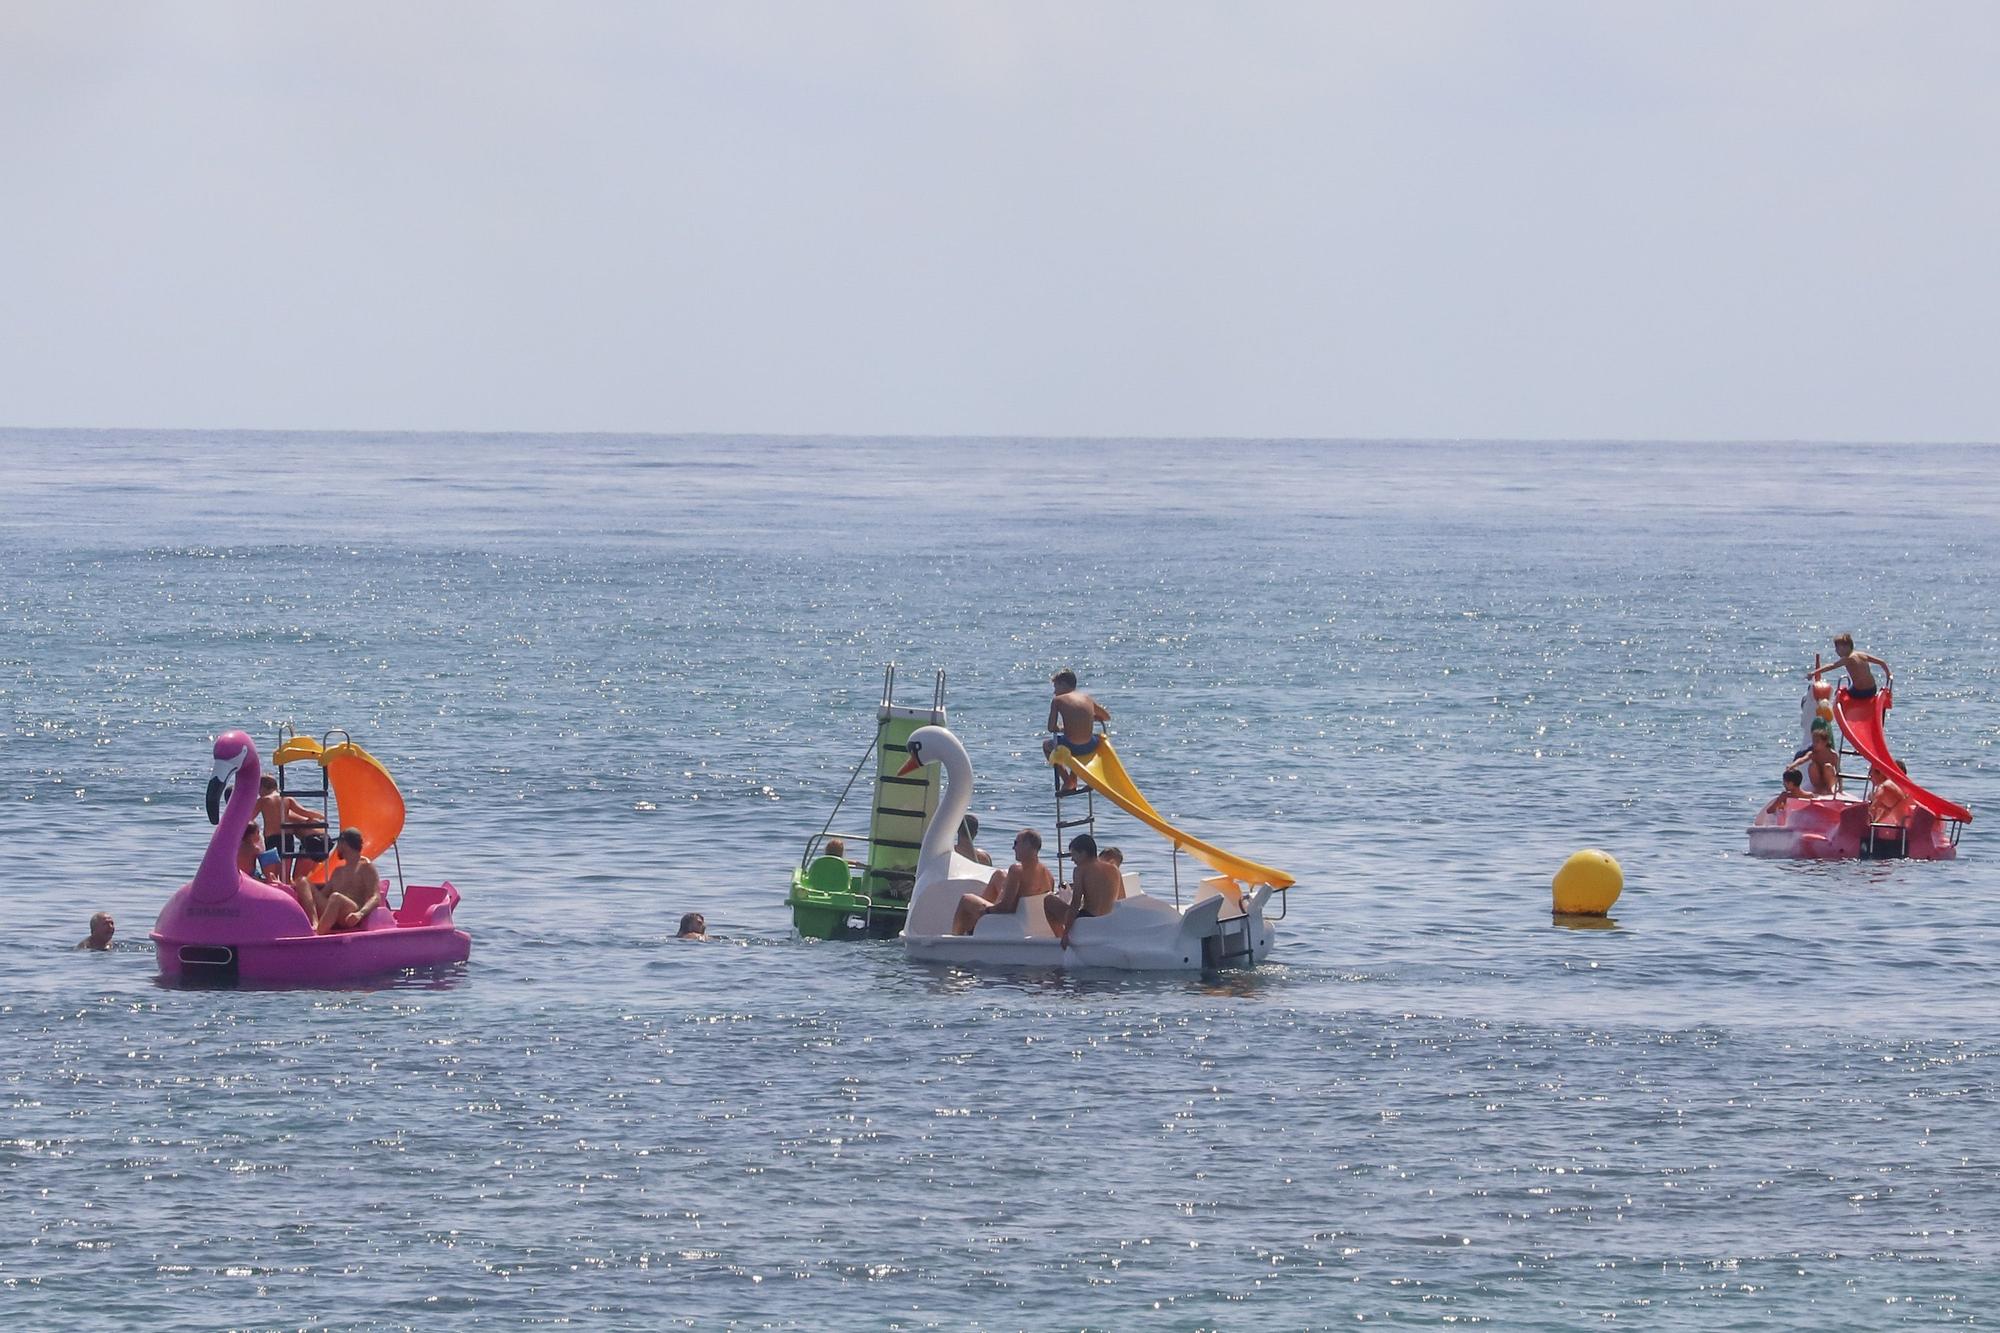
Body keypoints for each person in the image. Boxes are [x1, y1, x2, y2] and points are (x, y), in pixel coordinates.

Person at [953, 828, 1052, 935]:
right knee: (999, 875)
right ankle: (975, 926)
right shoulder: (1048, 874)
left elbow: (1007, 907)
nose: (1013, 847)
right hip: (1030, 921)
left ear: (1027, 845)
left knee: (966, 899)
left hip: (1011, 922)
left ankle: (955, 938)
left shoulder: (1017, 870)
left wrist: (986, 911)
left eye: (1016, 843)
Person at [1043, 669, 1111, 792]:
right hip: (1090, 746)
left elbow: (1051, 728)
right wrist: (1088, 717)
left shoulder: (1057, 701)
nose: (1054, 691)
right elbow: (1106, 717)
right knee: (1085, 740)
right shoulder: (1086, 698)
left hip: (1072, 746)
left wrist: (1061, 728)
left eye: (1056, 687)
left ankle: (1068, 781)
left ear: (1063, 684)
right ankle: (1074, 779)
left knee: (1047, 745)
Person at [1050, 832, 1121, 947]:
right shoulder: (1113, 869)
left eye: (1074, 855)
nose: (1072, 859)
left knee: (1049, 900)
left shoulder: (1081, 870)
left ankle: (1060, 937)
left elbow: (1075, 904)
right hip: (1107, 920)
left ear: (1083, 853)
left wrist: (1066, 933)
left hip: (1087, 920)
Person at [313, 828, 383, 934]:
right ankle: (313, 923)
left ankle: (318, 935)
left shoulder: (366, 867)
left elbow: (376, 897)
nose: (337, 848)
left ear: (344, 844)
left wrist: (360, 914)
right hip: (332, 911)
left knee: (336, 897)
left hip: (351, 913)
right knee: (303, 882)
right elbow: (322, 895)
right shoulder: (338, 871)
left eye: (338, 844)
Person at [255, 776, 323, 877]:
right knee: (285, 875)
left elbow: (249, 818)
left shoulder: (263, 800)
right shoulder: (287, 799)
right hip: (287, 838)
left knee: (272, 874)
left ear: (262, 787)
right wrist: (319, 815)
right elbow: (304, 812)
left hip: (271, 838)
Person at [1809, 633, 1891, 701]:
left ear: (1847, 647)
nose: (1836, 651)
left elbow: (1832, 666)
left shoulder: (1848, 659)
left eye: (1838, 648)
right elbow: (1882, 662)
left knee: (1840, 693)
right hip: (1872, 690)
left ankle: (1842, 707)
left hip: (1860, 692)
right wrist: (1888, 674)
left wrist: (1814, 673)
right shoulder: (1861, 654)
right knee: (1850, 686)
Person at [1804, 727, 1842, 796]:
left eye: (1817, 741)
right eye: (1813, 741)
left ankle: (1828, 788)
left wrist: (1840, 787)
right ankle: (1818, 788)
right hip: (1817, 779)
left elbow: (1839, 771)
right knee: (1812, 765)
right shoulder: (1813, 753)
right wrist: (1793, 765)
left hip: (1829, 778)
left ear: (1825, 742)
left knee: (1827, 766)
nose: (1814, 744)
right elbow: (1802, 759)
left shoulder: (1833, 755)